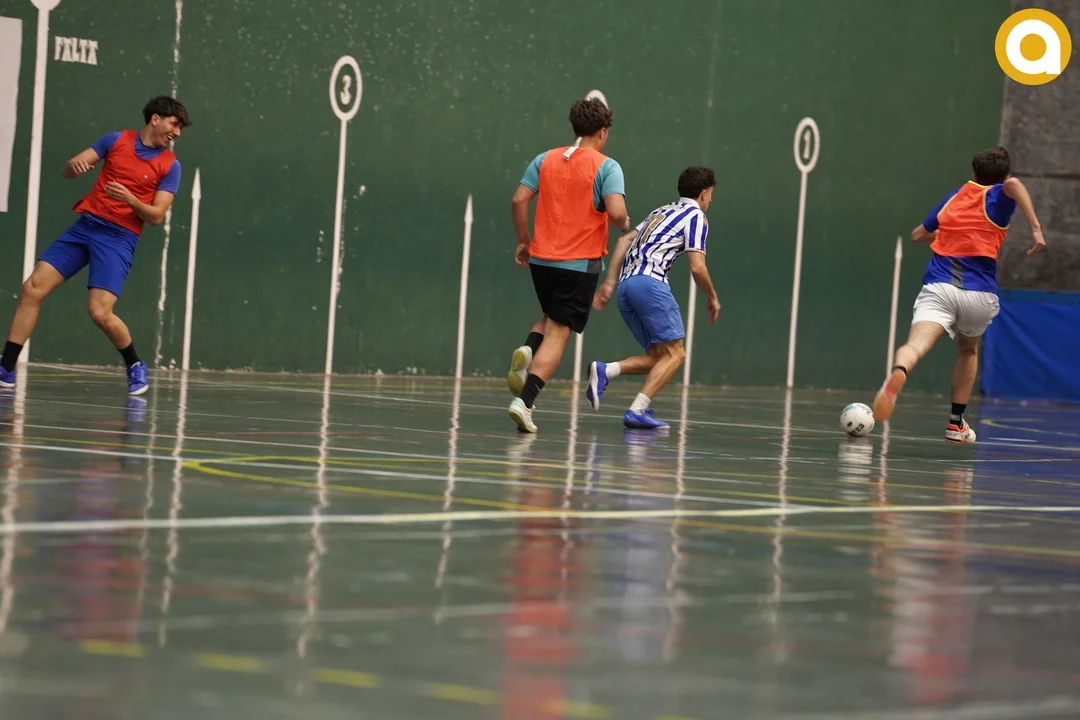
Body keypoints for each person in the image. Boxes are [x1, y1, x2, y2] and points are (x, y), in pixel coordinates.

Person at [0, 95, 189, 396]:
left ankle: (134, 363)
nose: (177, 132)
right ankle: (6, 367)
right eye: (174, 124)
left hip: (119, 237)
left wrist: (129, 199)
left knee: (100, 312)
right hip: (85, 227)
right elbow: (68, 170)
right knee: (32, 288)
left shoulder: (170, 166)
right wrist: (72, 167)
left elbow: (156, 216)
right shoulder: (115, 140)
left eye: (180, 128)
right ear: (155, 119)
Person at [873, 146, 1046, 442]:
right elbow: (1015, 185)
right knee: (968, 351)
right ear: (1003, 177)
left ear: (973, 175)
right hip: (978, 295)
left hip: (940, 288)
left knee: (915, 346)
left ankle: (898, 372)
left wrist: (948, 234)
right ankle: (956, 424)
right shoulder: (1000, 196)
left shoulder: (954, 197)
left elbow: (918, 235)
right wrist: (1036, 229)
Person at [505, 97, 630, 433]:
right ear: (602, 132)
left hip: (541, 260)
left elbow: (518, 200)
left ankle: (528, 349)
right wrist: (623, 222)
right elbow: (617, 212)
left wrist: (523, 241)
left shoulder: (545, 159)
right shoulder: (607, 167)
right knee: (560, 333)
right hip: (578, 264)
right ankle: (525, 402)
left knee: (549, 317)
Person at [585, 166, 721, 430]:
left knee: (660, 356)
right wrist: (712, 296)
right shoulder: (696, 216)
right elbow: (697, 267)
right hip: (650, 284)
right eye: (711, 195)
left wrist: (610, 282)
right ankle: (637, 410)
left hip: (626, 287)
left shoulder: (661, 211)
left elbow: (623, 241)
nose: (710, 201)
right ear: (704, 194)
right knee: (676, 354)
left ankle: (606, 370)